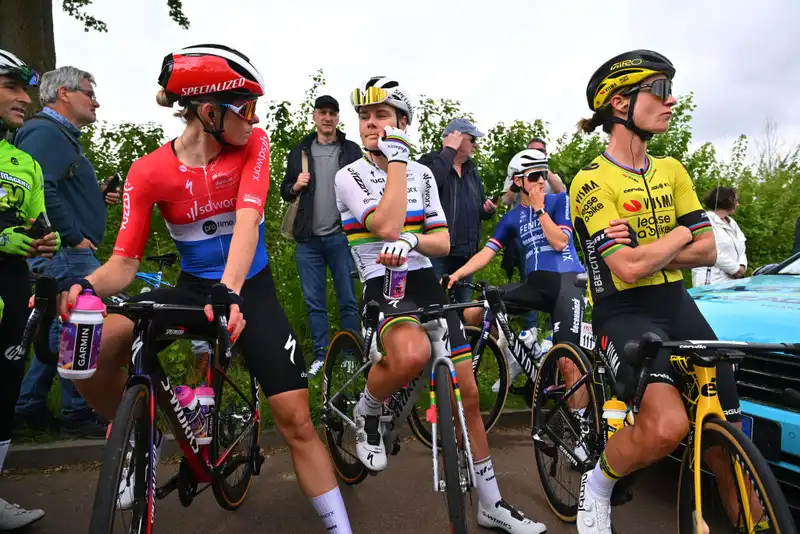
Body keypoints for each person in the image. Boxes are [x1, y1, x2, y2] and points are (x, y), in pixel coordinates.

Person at [57, 45, 353, 533]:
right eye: (247, 108)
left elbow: (248, 223)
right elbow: (124, 263)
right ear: (210, 112)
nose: (255, 119)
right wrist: (82, 285)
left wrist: (231, 291)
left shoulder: (253, 146)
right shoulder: (148, 171)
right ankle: (139, 434)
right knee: (99, 338)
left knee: (296, 419)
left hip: (248, 288)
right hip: (194, 288)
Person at [336, 75, 545, 533]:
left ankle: (492, 503)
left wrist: (416, 237)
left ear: (403, 122)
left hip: (425, 280)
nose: (371, 124)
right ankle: (369, 408)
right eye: (365, 117)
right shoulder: (348, 175)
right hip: (381, 280)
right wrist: (396, 168)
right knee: (410, 354)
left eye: (382, 115)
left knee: (467, 394)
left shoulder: (425, 174)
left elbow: (444, 240)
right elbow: (387, 225)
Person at [570, 49, 740, 534]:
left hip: (675, 302)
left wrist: (659, 244)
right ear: (620, 104)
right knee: (669, 427)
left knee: (725, 432)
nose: (672, 101)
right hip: (622, 310)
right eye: (660, 91)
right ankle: (598, 484)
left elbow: (709, 252)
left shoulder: (673, 170)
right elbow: (625, 269)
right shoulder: (590, 182)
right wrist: (683, 233)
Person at [14, 66, 117, 439]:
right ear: (64, 94)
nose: (96, 102)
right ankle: (78, 411)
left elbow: (59, 186)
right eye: (89, 93)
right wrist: (72, 237)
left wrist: (97, 195)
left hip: (65, 252)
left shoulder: (57, 136)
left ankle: (29, 408)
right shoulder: (46, 132)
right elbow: (42, 191)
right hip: (65, 253)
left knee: (53, 326)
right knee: (80, 326)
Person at [448, 149, 585, 388]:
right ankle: (513, 353)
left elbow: (560, 241)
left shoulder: (559, 201)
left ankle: (583, 419)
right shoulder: (513, 218)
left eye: (543, 173)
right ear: (518, 181)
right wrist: (457, 274)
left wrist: (540, 209)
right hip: (536, 286)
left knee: (568, 363)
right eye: (534, 176)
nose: (541, 180)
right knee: (476, 310)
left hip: (567, 283)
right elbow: (486, 253)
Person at [0, 48, 61, 530]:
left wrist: (46, 238)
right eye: (12, 88)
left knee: (3, 390)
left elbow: (37, 223)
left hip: (13, 287)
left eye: (27, 89)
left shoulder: (25, 162)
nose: (25, 99)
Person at [280, 95, 361, 377]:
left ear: (338, 118)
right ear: (314, 116)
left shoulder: (351, 150)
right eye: (322, 113)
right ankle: (320, 358)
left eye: (332, 114)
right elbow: (285, 189)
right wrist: (295, 185)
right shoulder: (300, 151)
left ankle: (352, 356)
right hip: (308, 240)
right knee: (315, 303)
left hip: (342, 237)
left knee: (348, 299)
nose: (327, 118)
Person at [418, 118, 497, 303]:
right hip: (438, 251)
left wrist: (487, 210)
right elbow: (428, 185)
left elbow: (476, 207)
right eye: (472, 140)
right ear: (457, 138)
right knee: (433, 304)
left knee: (462, 306)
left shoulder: (471, 170)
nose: (475, 146)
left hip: (466, 252)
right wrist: (448, 151)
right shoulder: (429, 162)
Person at [501, 138, 566, 346]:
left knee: (554, 275)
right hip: (522, 229)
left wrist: (546, 171)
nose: (540, 180)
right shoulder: (520, 174)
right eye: (533, 151)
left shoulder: (545, 175)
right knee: (529, 276)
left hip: (547, 226)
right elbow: (506, 200)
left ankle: (552, 330)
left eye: (541, 151)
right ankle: (530, 330)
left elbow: (562, 190)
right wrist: (516, 181)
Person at [691, 186, 747, 286]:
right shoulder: (705, 221)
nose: (738, 204)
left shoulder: (732, 223)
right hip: (711, 281)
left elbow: (741, 246)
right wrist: (735, 269)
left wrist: (742, 266)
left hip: (733, 281)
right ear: (727, 201)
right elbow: (709, 250)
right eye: (736, 200)